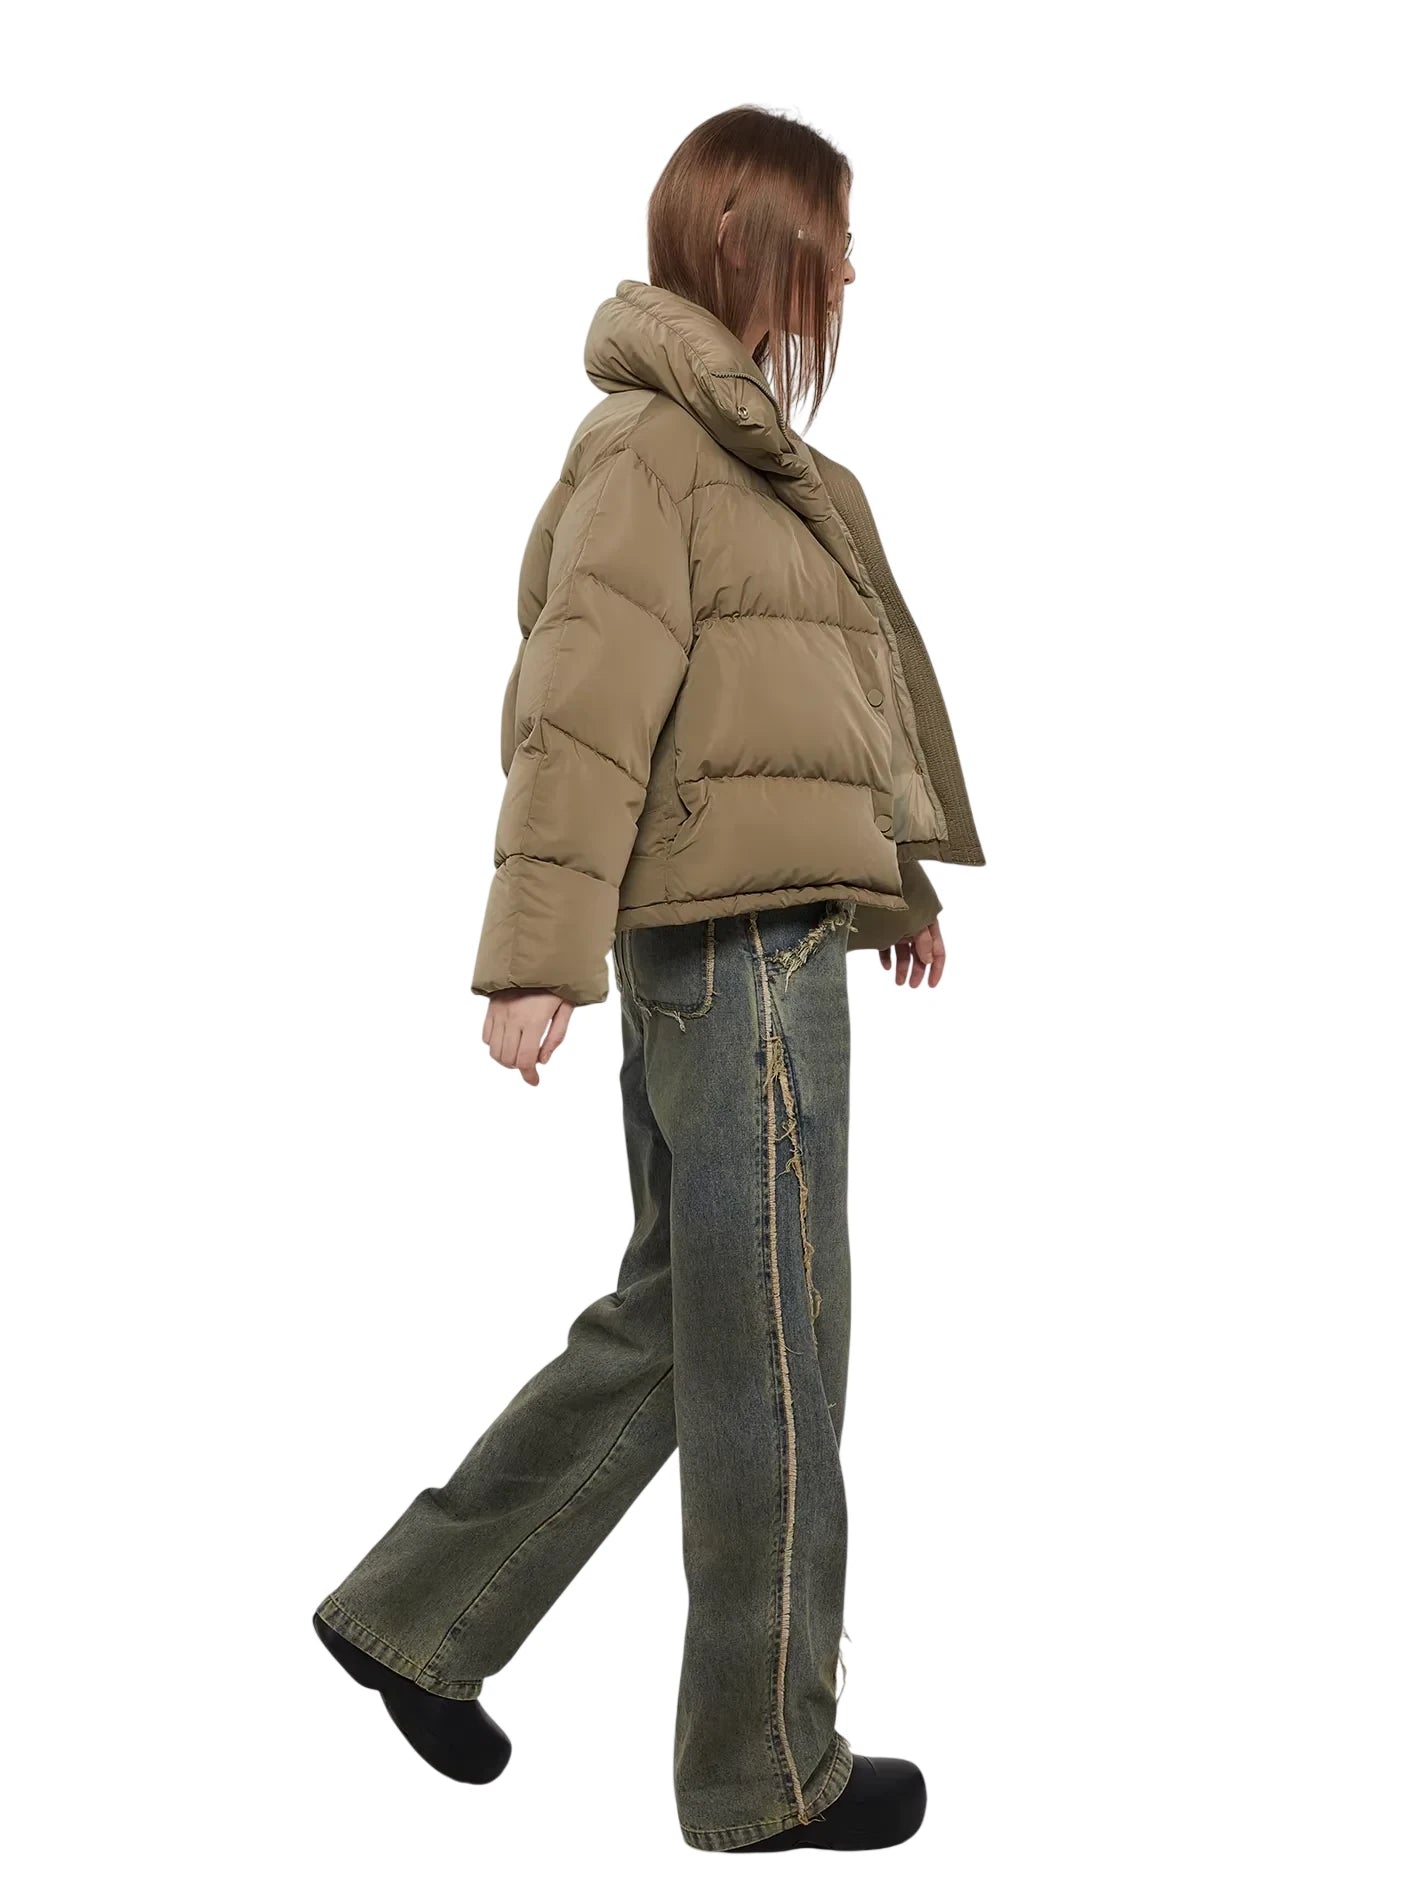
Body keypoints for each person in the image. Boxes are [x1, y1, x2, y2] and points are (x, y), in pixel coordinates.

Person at [312, 103, 986, 1855]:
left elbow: (814, 712)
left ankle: (421, 1614)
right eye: (835, 241)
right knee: (777, 1347)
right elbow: (582, 709)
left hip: (775, 930)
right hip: (729, 958)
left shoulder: (765, 464)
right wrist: (533, 960)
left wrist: (892, 883)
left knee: (696, 1321)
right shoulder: (655, 450)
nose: (853, 274)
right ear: (756, 246)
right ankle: (768, 1771)